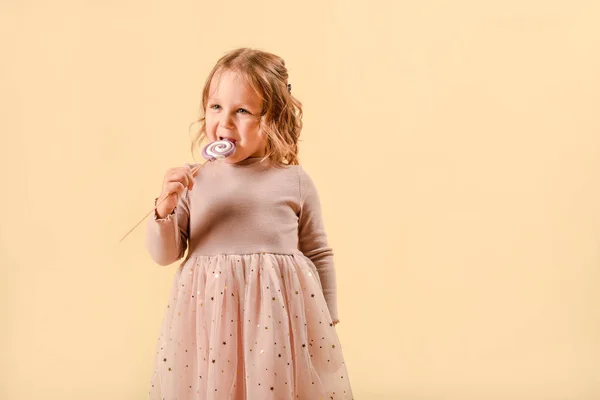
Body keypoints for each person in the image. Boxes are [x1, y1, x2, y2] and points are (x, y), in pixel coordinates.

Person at [146, 47, 353, 399]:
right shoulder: (194, 180)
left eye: (242, 111)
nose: (224, 122)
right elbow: (165, 255)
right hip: (208, 322)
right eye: (216, 107)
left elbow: (319, 251)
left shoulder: (294, 180)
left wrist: (326, 318)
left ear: (271, 118)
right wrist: (165, 207)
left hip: (275, 322)